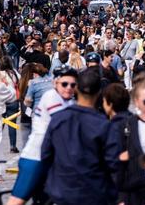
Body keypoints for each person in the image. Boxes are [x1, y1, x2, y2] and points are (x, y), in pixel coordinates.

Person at [38, 66, 119, 205]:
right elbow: (113, 163)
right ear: (99, 93)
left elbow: (45, 154)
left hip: (62, 191)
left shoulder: (58, 119)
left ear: (77, 89)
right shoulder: (104, 125)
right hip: (94, 192)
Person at [6, 66, 77, 205]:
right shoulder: (51, 97)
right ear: (55, 83)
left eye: (72, 84)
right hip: (34, 158)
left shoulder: (70, 101)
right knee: (17, 201)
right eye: (64, 84)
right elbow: (63, 126)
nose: (68, 87)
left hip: (50, 160)